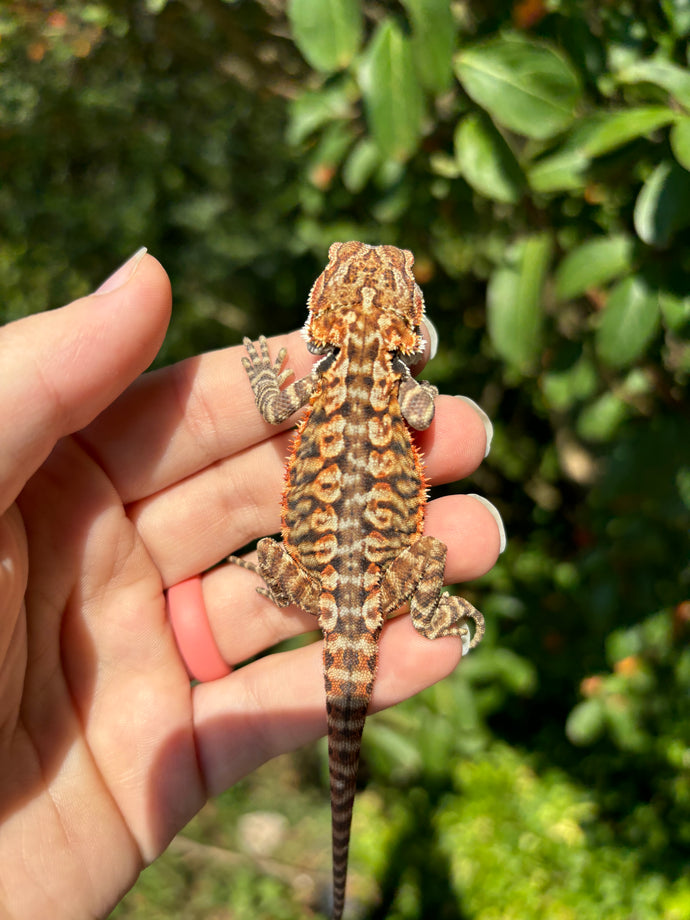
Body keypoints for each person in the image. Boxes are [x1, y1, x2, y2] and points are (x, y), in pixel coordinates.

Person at [0, 249, 504, 919]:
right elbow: (422, 408)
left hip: (317, 582)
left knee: (283, 559)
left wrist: (266, 369)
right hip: (369, 585)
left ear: (325, 305)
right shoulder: (400, 391)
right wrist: (408, 382)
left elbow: (271, 401)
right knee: (433, 555)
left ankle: (281, 575)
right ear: (407, 318)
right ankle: (430, 607)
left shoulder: (314, 391)